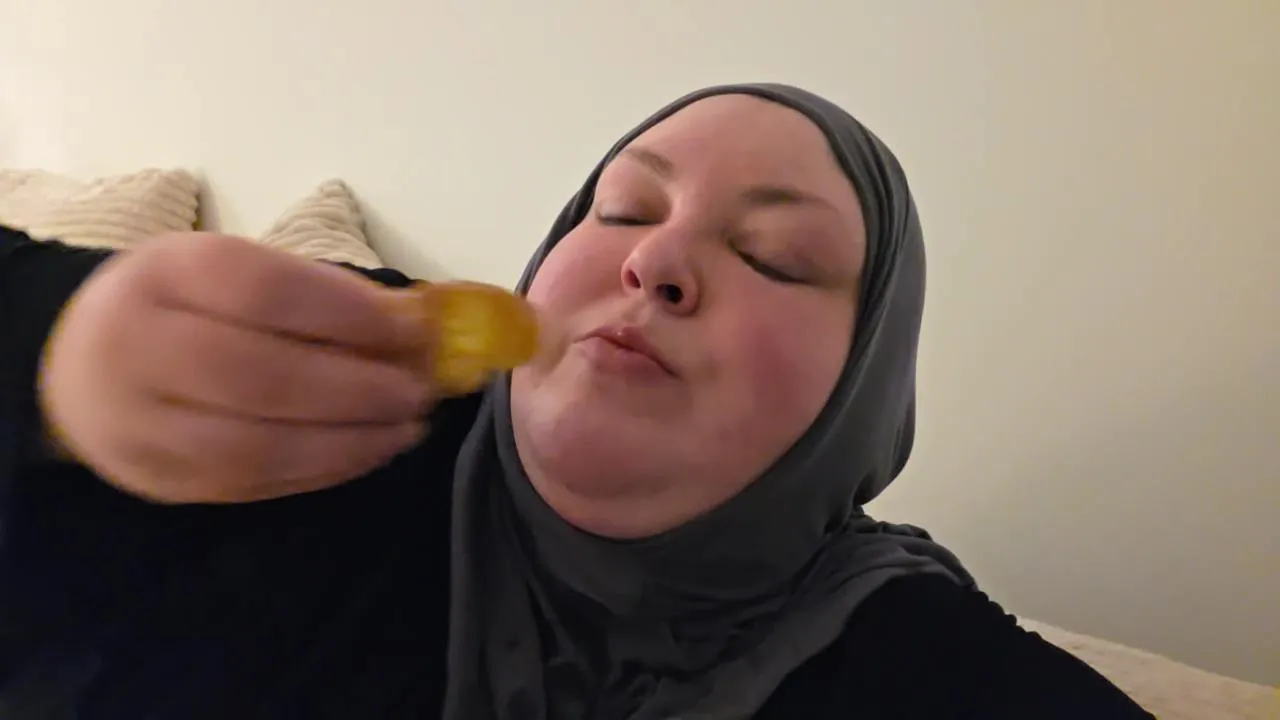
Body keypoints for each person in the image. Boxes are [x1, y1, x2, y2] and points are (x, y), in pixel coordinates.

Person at [0, 84, 1153, 719]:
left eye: (776, 257)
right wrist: (51, 343)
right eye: (621, 209)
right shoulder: (329, 406)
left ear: (858, 398)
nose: (655, 260)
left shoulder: (917, 664)